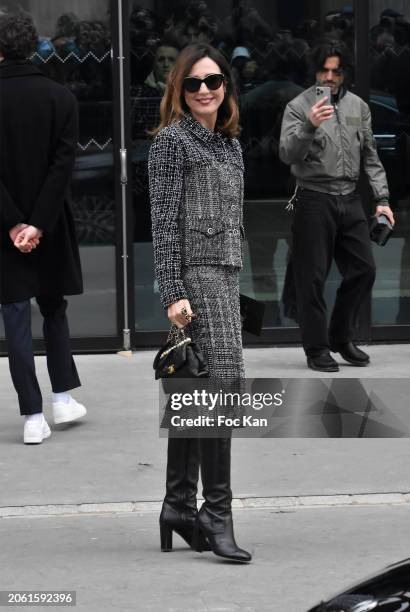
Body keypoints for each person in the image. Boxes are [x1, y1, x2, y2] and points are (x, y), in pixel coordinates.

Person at [148, 43, 251, 563]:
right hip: (196, 279)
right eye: (194, 83)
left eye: (213, 81)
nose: (205, 90)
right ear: (180, 91)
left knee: (194, 390)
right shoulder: (171, 143)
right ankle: (216, 514)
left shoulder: (229, 144)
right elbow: (163, 225)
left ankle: (178, 506)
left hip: (226, 274)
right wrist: (174, 293)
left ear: (226, 87)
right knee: (221, 391)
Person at [279, 42, 395, 372]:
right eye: (324, 70)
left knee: (364, 270)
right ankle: (316, 349)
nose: (329, 77)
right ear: (315, 71)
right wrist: (310, 125)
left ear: (344, 74)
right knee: (312, 277)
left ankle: (340, 337)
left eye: (336, 71)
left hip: (350, 198)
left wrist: (382, 200)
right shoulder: (298, 106)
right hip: (313, 197)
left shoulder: (359, 106)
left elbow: (371, 156)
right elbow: (287, 154)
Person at [0, 10, 86, 443]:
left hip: (4, 229)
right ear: (33, 46)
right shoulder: (61, 97)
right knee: (54, 308)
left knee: (15, 317)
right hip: (49, 224)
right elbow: (62, 166)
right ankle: (62, 398)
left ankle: (33, 416)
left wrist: (15, 223)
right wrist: (37, 223)